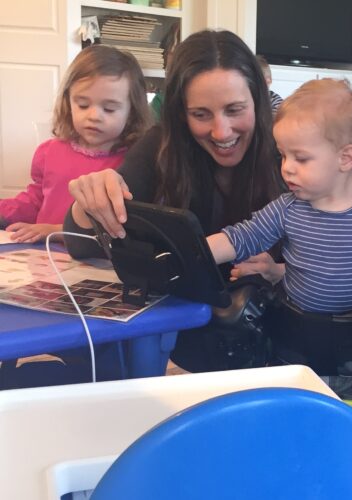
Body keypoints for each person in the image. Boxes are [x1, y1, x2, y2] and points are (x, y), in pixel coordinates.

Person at [63, 30, 286, 374]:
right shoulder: (161, 146)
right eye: (201, 114)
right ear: (181, 113)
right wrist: (88, 203)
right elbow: (79, 244)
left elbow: (350, 251)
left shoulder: (292, 154)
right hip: (186, 346)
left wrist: (282, 273)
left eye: (235, 110)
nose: (221, 131)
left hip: (275, 345)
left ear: (258, 98)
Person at [207, 78, 352, 398]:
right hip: (297, 340)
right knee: (297, 406)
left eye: (300, 158)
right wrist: (194, 250)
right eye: (283, 156)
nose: (287, 168)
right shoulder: (287, 209)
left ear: (345, 158)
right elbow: (242, 237)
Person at [0, 44, 151, 243]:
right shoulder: (49, 151)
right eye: (83, 105)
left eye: (109, 108)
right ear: (68, 101)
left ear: (132, 112)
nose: (94, 116)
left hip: (95, 263)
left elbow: (122, 226)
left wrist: (53, 231)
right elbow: (36, 200)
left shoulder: (135, 163)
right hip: (41, 258)